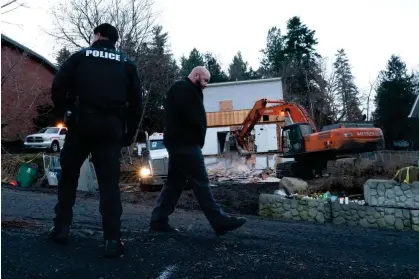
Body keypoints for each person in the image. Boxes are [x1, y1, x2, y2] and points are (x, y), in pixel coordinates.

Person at [48, 23, 142, 257]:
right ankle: (112, 239)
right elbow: (137, 103)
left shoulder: (80, 57)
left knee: (68, 177)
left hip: (81, 124)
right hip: (111, 128)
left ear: (97, 36)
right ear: (114, 40)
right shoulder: (126, 63)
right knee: (109, 185)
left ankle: (61, 228)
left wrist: (62, 113)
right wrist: (128, 134)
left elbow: (57, 85)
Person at [150, 66, 247, 235]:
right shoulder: (182, 88)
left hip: (182, 144)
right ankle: (219, 221)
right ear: (196, 75)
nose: (206, 85)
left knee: (174, 185)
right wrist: (195, 135)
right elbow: (188, 116)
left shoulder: (187, 89)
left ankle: (158, 220)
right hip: (185, 145)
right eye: (205, 80)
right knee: (201, 183)